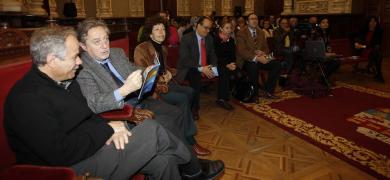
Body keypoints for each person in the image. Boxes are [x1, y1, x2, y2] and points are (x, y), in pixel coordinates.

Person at [4, 27, 192, 180]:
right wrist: (107, 130)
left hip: (89, 147)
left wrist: (110, 126)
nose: (79, 62)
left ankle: (190, 169)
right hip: (66, 168)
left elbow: (87, 115)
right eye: (74, 57)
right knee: (152, 130)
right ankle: (193, 167)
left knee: (164, 162)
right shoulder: (27, 99)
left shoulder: (65, 80)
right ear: (52, 60)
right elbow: (61, 153)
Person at [75, 18, 224, 179]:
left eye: (106, 39)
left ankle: (183, 159)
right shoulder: (82, 68)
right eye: (97, 42)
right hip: (123, 111)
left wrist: (148, 72)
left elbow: (135, 68)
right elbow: (94, 103)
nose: (105, 46)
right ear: (83, 46)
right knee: (166, 123)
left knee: (175, 113)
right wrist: (124, 90)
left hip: (140, 99)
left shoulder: (116, 53)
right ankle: (193, 168)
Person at [134, 15, 211, 156]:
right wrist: (160, 77)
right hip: (154, 90)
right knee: (182, 99)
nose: (161, 32)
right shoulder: (141, 49)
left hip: (167, 83)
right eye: (157, 29)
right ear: (150, 33)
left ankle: (182, 125)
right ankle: (190, 140)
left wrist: (169, 73)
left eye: (163, 28)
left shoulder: (162, 48)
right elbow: (143, 75)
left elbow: (166, 67)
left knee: (189, 91)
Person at [176, 16, 218, 119]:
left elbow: (213, 56)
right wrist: (201, 68)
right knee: (195, 75)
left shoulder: (209, 39)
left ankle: (223, 99)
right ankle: (195, 108)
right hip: (188, 68)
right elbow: (184, 59)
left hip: (204, 66)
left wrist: (213, 68)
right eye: (205, 27)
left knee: (223, 68)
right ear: (197, 25)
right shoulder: (187, 38)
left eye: (209, 28)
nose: (208, 31)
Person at [236, 13, 281, 102]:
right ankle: (254, 94)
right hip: (246, 60)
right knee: (253, 66)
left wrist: (263, 53)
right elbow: (242, 51)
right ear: (247, 22)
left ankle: (268, 91)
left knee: (276, 64)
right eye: (252, 19)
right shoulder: (241, 33)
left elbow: (266, 47)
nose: (254, 20)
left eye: (256, 19)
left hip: (260, 57)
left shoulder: (260, 32)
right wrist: (256, 57)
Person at [213, 20, 237, 110]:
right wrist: (227, 65)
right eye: (227, 28)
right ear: (221, 29)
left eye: (230, 28)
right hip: (217, 63)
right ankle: (222, 99)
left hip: (228, 63)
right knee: (224, 71)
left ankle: (230, 92)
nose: (229, 30)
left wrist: (233, 63)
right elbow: (215, 57)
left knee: (238, 72)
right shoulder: (216, 39)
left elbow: (233, 55)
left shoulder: (231, 40)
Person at [354, 16, 384, 83]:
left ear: (377, 23)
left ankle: (378, 73)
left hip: (371, 50)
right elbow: (355, 36)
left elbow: (377, 44)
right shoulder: (364, 30)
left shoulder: (379, 31)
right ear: (368, 22)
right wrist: (356, 43)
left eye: (374, 21)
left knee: (376, 52)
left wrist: (363, 46)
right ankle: (379, 74)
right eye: (371, 21)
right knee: (378, 54)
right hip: (363, 51)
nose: (373, 23)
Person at [313, 17, 341, 86]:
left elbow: (327, 45)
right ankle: (323, 78)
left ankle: (323, 77)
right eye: (323, 22)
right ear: (319, 24)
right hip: (317, 55)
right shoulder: (316, 34)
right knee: (336, 62)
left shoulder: (326, 33)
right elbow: (316, 48)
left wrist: (329, 51)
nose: (326, 24)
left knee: (337, 60)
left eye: (327, 22)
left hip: (325, 54)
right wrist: (327, 54)